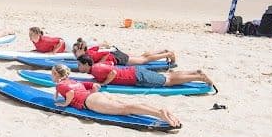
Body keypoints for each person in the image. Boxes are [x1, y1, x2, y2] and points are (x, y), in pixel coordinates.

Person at [51, 64, 180, 127]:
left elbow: (70, 93)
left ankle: (160, 114)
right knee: (127, 105)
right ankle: (159, 111)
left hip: (90, 102)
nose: (51, 75)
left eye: (53, 73)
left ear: (56, 75)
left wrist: (65, 104)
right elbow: (94, 86)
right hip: (98, 96)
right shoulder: (73, 81)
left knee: (126, 109)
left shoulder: (60, 85)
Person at [76, 55, 215, 90]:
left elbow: (112, 72)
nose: (78, 67)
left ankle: (199, 77)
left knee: (168, 82)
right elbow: (111, 65)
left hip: (136, 77)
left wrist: (105, 83)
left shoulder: (96, 69)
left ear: (86, 64)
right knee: (167, 76)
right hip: (135, 72)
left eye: (79, 65)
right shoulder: (96, 67)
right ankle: (194, 72)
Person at [72, 37, 176, 65]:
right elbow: (98, 47)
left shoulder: (88, 56)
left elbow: (105, 54)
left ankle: (168, 54)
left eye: (75, 51)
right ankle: (162, 51)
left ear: (81, 50)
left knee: (144, 60)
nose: (73, 53)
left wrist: (101, 63)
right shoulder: (88, 51)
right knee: (142, 56)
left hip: (117, 57)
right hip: (116, 53)